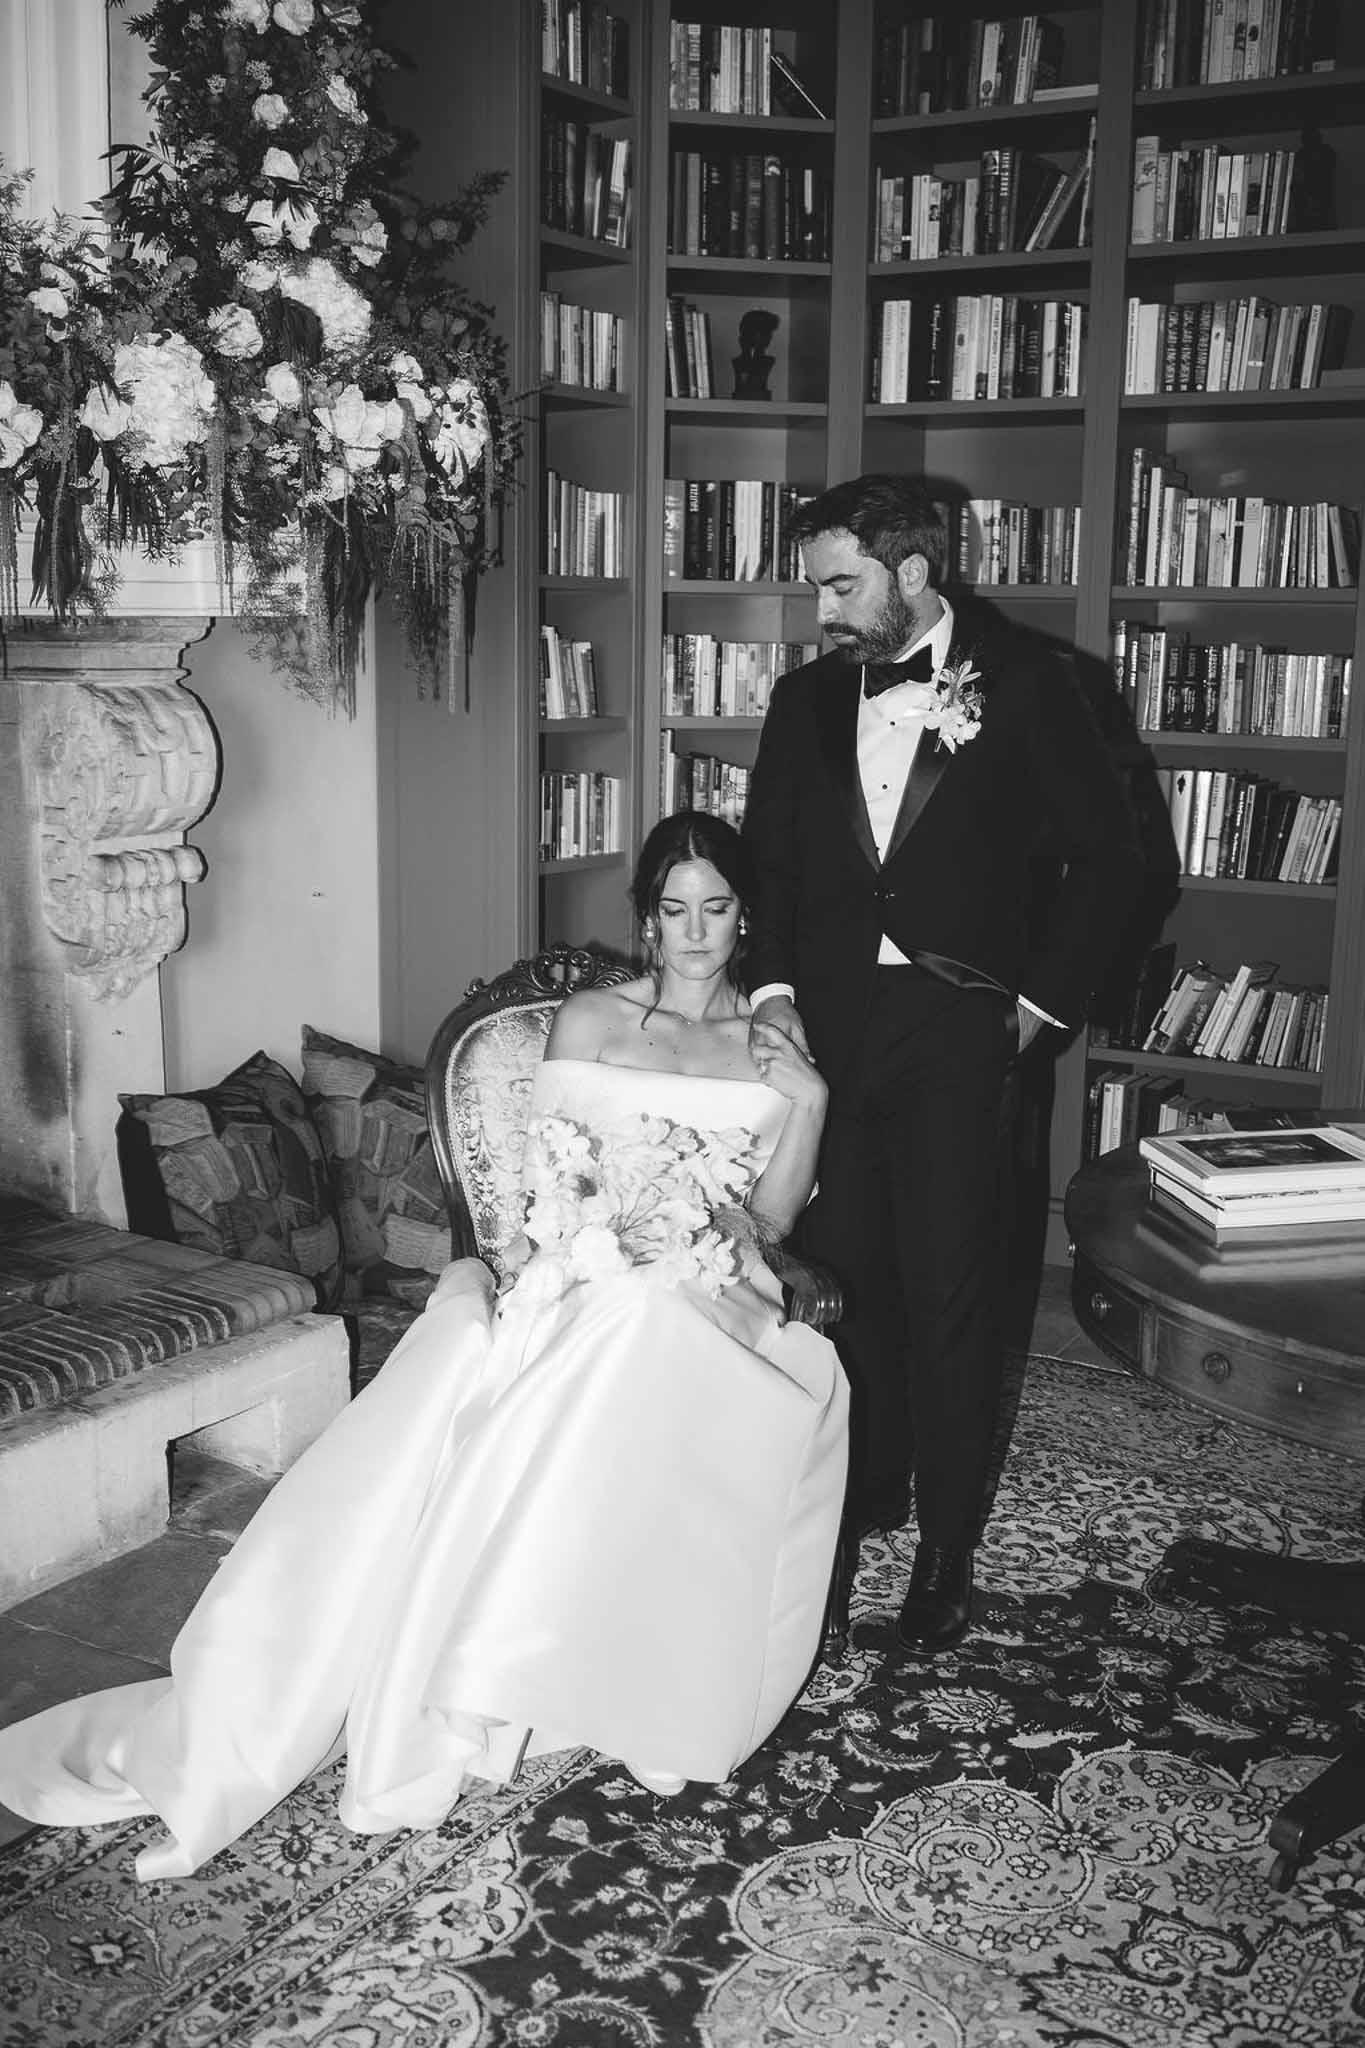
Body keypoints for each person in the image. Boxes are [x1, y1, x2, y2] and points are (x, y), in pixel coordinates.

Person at [0, 813, 847, 1880]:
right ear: (646, 917)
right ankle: (509, 1668)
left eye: (714, 908)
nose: (694, 932)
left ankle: (621, 1673)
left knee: (653, 1326)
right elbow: (546, 1181)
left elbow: (769, 1220)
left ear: (742, 917)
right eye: (673, 909)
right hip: (585, 1265)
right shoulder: (590, 1017)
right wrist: (592, 1242)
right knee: (621, 1324)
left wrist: (807, 1101)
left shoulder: (768, 1044)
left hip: (714, 1283)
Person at [741, 473, 1144, 1654]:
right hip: (831, 1037)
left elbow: (1114, 865)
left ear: (914, 573)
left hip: (962, 1029)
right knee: (846, 1279)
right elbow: (770, 863)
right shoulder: (805, 699)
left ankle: (947, 1552)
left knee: (953, 1295)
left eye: (841, 585)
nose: (821, 611)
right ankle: (863, 1495)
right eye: (816, 588)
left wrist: (1030, 1011)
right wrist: (773, 995)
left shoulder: (1035, 684)